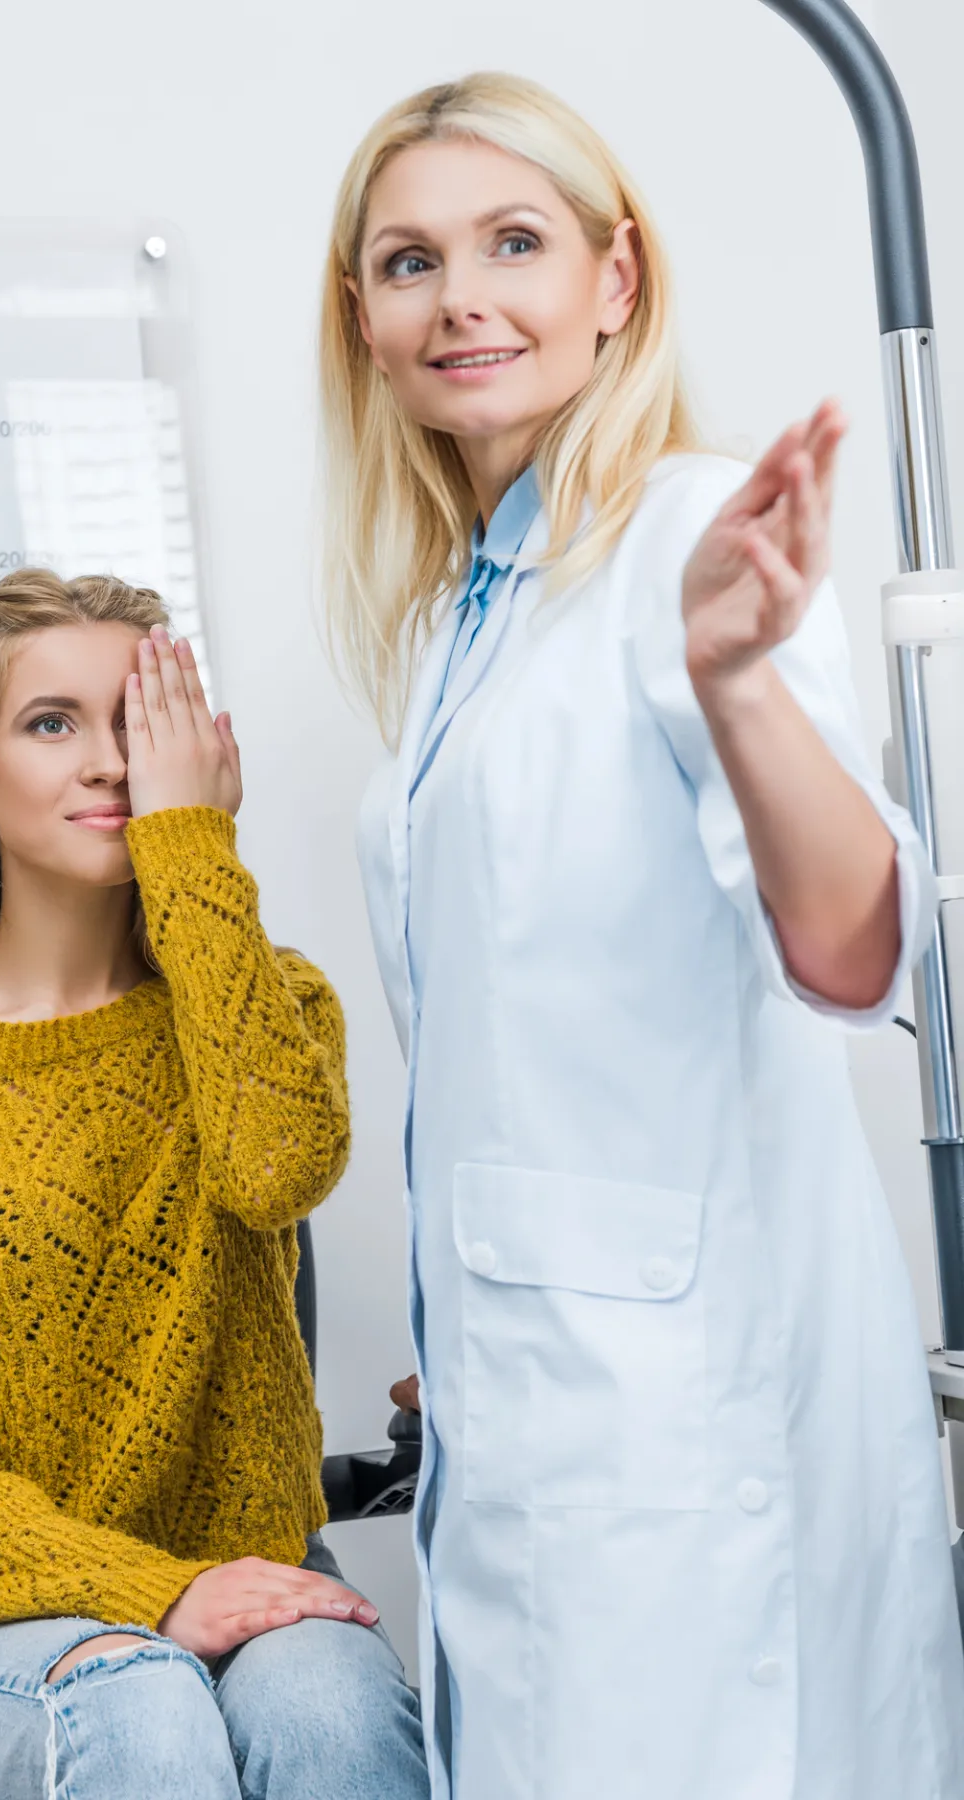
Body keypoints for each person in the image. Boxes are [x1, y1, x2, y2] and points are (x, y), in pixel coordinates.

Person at [320, 72, 964, 1800]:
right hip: (545, 1411)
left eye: (514, 242)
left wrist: (741, 681)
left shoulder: (684, 536)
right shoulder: (476, 607)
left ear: (617, 282)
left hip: (682, 1436)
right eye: (410, 261)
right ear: (366, 323)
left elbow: (849, 950)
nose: (462, 296)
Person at [0, 569, 429, 1800]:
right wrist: (156, 1595)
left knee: (333, 1728)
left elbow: (273, 1169)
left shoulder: (273, 1003)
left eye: (138, 723)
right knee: (139, 1707)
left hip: (254, 1578)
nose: (107, 763)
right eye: (52, 723)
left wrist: (192, 849)